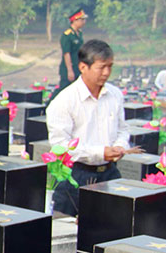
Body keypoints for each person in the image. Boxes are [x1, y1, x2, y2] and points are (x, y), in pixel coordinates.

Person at [45, 39, 139, 216]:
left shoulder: (114, 94)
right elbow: (61, 147)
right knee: (68, 232)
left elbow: (122, 129)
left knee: (116, 226)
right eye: (101, 67)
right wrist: (100, 152)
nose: (106, 72)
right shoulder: (64, 101)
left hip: (109, 173)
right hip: (76, 175)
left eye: (110, 66)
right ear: (83, 67)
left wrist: (120, 146)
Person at [50, 9, 87, 102]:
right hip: (68, 67)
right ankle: (49, 104)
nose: (84, 22)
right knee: (64, 88)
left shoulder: (79, 33)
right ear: (75, 20)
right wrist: (70, 71)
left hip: (78, 66)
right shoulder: (67, 35)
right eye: (81, 20)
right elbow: (67, 53)